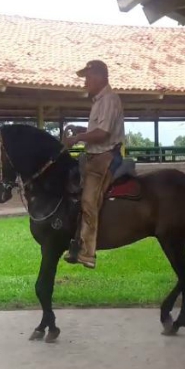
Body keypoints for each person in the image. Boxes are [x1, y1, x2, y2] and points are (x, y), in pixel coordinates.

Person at [62, 60, 125, 269]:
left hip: (104, 157)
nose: (85, 82)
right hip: (94, 156)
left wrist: (77, 137)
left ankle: (88, 253)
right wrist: (79, 128)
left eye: (88, 78)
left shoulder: (108, 99)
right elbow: (97, 128)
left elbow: (103, 133)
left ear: (99, 77)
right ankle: (75, 240)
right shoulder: (99, 100)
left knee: (89, 201)